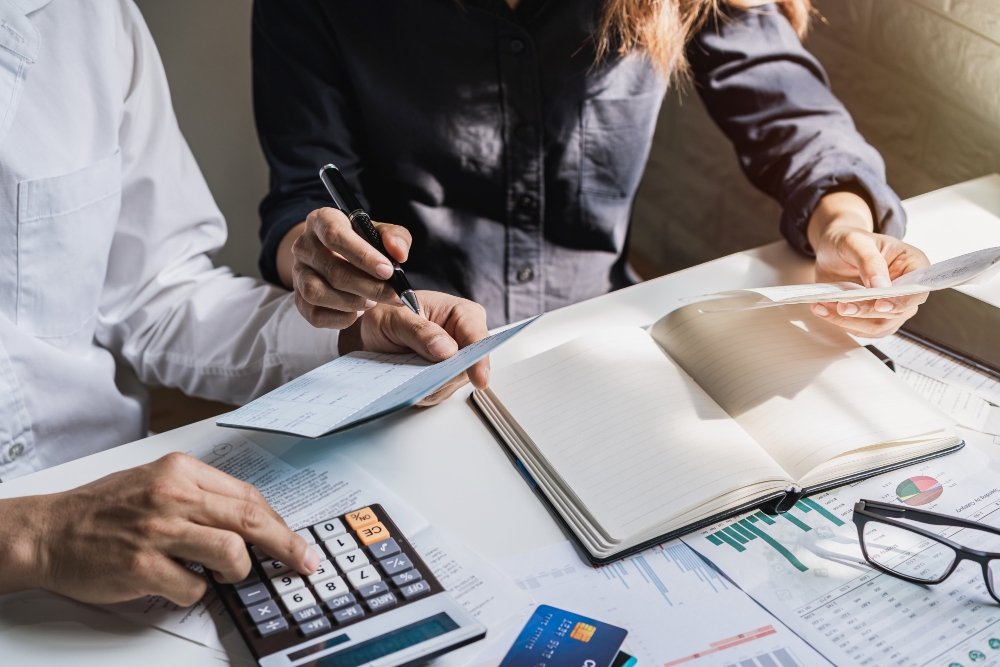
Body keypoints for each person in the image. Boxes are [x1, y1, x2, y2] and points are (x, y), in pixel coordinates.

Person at [0, 0, 487, 605]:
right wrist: (32, 535)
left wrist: (352, 335)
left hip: (128, 516)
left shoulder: (87, 18)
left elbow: (157, 292)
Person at [252, 0, 930, 340]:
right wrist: (316, 260)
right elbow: (302, 193)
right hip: (405, 351)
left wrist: (843, 226)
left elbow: (797, 123)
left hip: (603, 338)